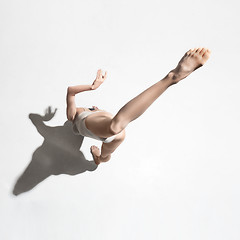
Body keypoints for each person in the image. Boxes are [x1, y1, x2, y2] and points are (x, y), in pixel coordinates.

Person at [66, 47, 211, 165]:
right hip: (116, 133)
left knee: (107, 150)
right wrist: (92, 87)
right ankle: (172, 78)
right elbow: (71, 91)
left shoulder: (81, 116)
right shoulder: (75, 118)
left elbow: (71, 93)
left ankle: (99, 159)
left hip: (115, 133)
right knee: (112, 132)